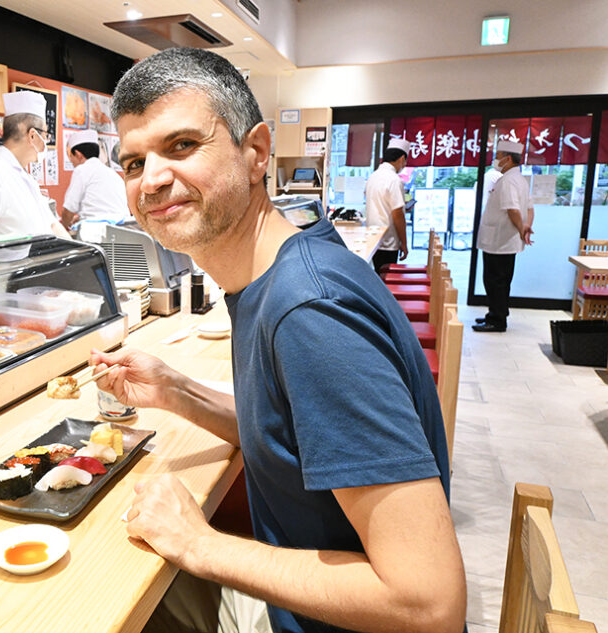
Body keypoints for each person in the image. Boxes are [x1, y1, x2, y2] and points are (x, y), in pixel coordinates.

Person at [92, 47, 466, 633]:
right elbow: (289, 436)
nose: (154, 179)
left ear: (255, 153)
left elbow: (428, 603)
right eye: (134, 162)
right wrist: (175, 390)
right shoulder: (281, 269)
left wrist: (200, 544)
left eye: (182, 146)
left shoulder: (310, 312)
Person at [0, 91, 70, 240]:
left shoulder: (27, 179)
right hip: (12, 263)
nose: (46, 141)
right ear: (32, 135)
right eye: (45, 135)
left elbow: (52, 225)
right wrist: (16, 244)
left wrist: (78, 250)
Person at [473, 139, 532, 333]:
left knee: (494, 281)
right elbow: (530, 209)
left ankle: (497, 320)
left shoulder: (507, 180)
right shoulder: (520, 179)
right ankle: (496, 314)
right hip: (506, 241)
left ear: (507, 158)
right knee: (503, 280)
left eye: (497, 156)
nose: (495, 160)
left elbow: (513, 209)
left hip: (499, 241)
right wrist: (525, 227)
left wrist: (522, 228)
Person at [61, 129, 130, 229]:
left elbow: (68, 210)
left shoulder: (82, 170)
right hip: (124, 230)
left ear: (78, 154)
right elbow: (104, 207)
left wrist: (63, 228)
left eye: (70, 156)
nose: (71, 162)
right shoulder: (112, 173)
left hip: (97, 234)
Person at [364, 138, 410, 272]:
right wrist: (404, 243)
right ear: (401, 158)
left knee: (378, 275)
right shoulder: (394, 180)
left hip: (373, 239)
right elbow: (397, 215)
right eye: (405, 161)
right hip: (388, 241)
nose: (405, 165)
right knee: (385, 279)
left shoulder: (373, 176)